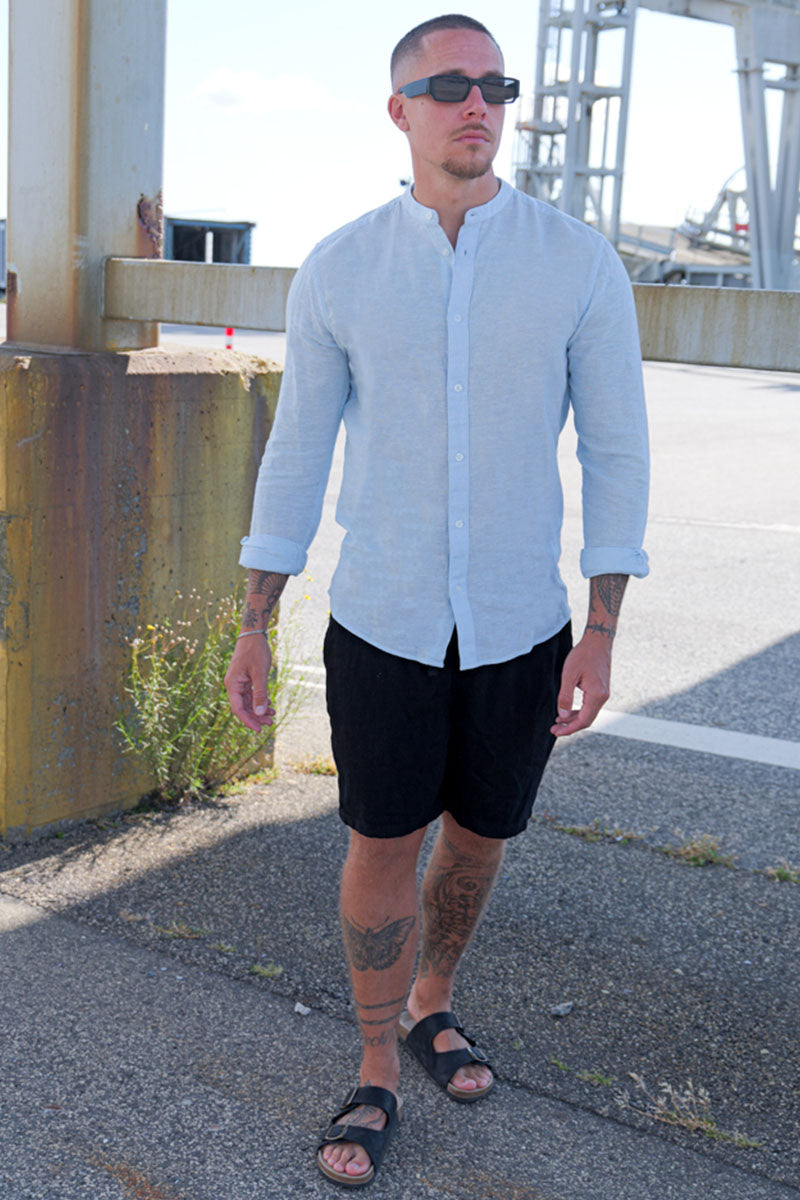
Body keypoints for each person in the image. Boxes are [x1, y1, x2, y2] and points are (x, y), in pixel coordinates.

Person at [224, 12, 649, 1188]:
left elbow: (615, 451)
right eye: (450, 85)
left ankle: (431, 1001)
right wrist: (254, 619)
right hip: (384, 617)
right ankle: (373, 1065)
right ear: (398, 109)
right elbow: (296, 452)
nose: (477, 105)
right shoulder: (342, 267)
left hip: (519, 623)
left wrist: (600, 629)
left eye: (494, 88)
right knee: (382, 837)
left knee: (479, 833)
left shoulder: (574, 262)